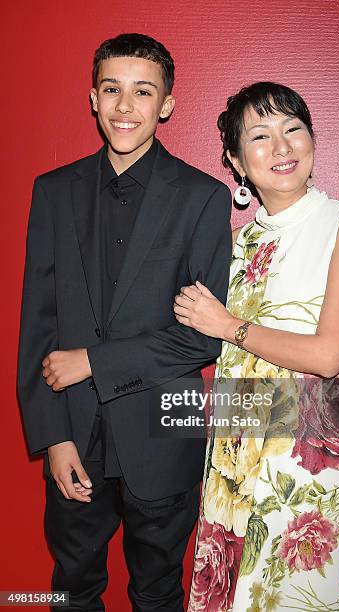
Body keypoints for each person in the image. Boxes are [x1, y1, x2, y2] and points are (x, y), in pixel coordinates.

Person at [18, 33, 232, 611]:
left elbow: (199, 337)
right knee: (71, 588)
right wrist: (52, 436)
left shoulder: (204, 198)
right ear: (93, 97)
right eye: (112, 89)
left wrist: (93, 361)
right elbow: (36, 325)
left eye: (143, 92)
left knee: (159, 591)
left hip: (165, 436)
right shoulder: (53, 192)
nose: (125, 106)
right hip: (73, 436)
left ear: (165, 105)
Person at [174, 82, 339, 611]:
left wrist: (227, 326)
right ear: (236, 162)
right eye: (260, 137)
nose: (282, 147)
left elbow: (329, 355)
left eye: (293, 129)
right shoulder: (239, 243)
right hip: (234, 467)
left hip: (304, 475)